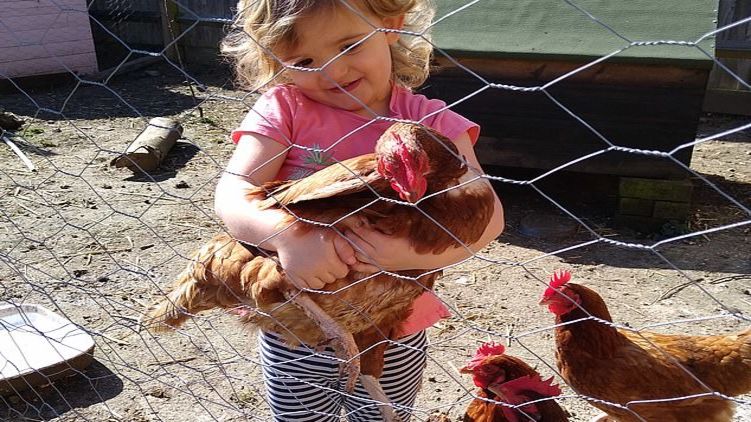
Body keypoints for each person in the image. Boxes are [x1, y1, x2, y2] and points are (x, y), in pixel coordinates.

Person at [216, 0, 505, 420]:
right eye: (305, 61)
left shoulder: (432, 122)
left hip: (397, 319)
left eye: (349, 46)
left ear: (391, 25)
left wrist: (399, 256)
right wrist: (288, 237)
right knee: (300, 416)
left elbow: (489, 217)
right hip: (300, 320)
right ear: (276, 61)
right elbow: (233, 190)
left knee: (383, 412)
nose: (333, 71)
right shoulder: (285, 110)